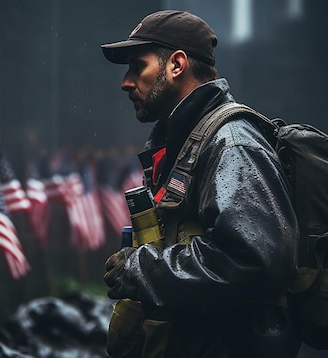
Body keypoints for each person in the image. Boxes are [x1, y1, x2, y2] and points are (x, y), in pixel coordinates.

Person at [100, 10, 300, 357]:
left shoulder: (232, 143)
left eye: (138, 66)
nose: (126, 82)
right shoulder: (191, 139)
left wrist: (140, 268)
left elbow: (253, 262)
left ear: (177, 65)